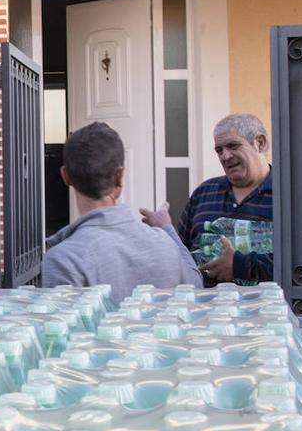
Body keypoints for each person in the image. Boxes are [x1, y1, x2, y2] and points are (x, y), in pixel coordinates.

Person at [41, 122, 201, 301]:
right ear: (120, 176)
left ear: (65, 176)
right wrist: (168, 229)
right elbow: (196, 285)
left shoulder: (63, 260)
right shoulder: (164, 242)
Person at [142, 113, 273, 284]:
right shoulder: (204, 194)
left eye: (233, 146)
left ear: (260, 143)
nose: (225, 156)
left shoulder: (287, 196)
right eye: (219, 150)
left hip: (266, 309)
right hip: (202, 308)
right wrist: (164, 231)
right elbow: (182, 256)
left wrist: (240, 265)